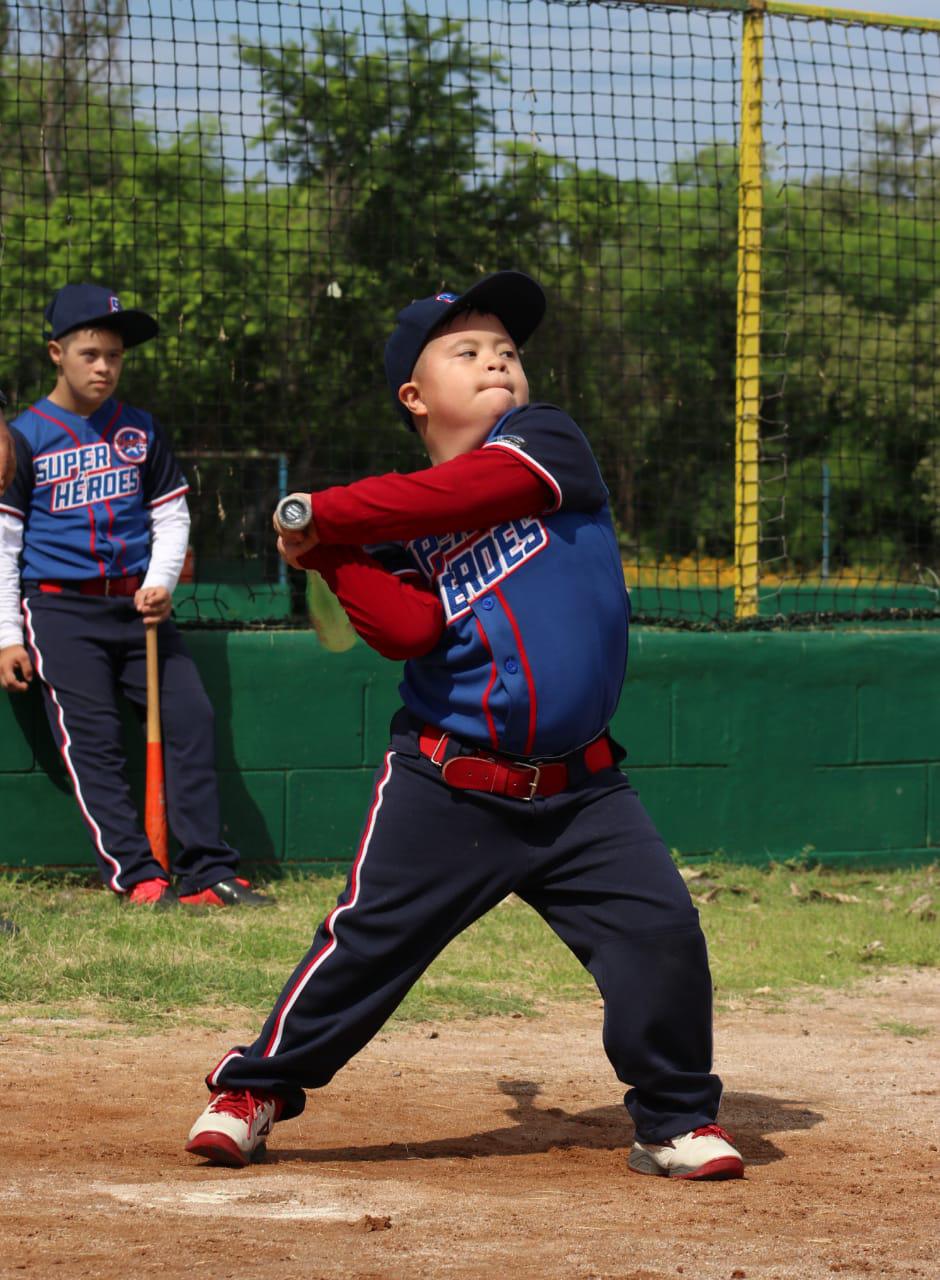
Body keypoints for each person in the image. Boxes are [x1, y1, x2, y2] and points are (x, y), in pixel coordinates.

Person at [185, 270, 743, 1180]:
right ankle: (252, 1088)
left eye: (509, 351)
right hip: (449, 783)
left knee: (662, 938)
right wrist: (331, 556)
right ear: (415, 394)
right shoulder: (405, 530)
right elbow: (407, 629)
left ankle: (675, 1120)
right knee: (363, 948)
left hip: (581, 790)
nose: (498, 362)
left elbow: (451, 498)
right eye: (467, 350)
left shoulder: (547, 442)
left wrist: (319, 515)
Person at [0, 284, 273, 911]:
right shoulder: (24, 438)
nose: (104, 367)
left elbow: (171, 518)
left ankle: (207, 871)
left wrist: (161, 582)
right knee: (92, 742)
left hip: (140, 607)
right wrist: (10, 636)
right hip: (59, 609)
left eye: (115, 356)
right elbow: (6, 541)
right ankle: (136, 874)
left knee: (191, 718)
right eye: (90, 353)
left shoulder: (141, 430)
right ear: (56, 353)